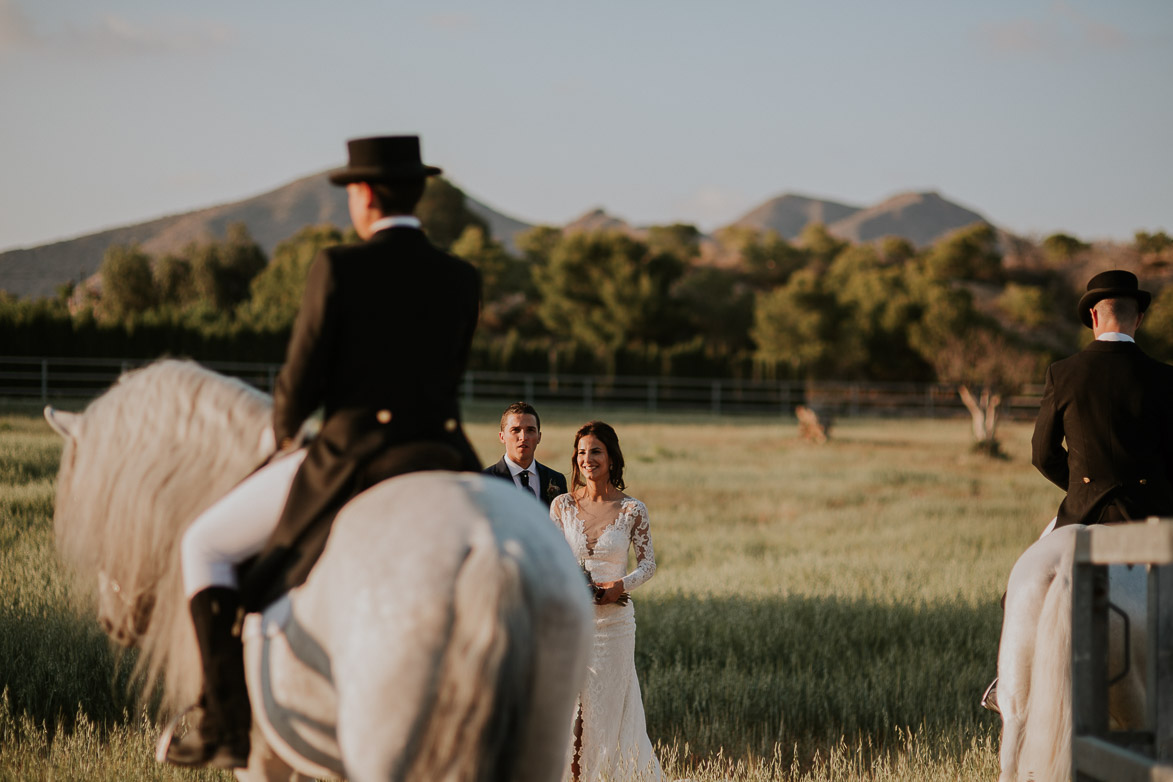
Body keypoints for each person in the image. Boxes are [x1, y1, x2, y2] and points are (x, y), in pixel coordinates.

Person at [167, 135, 482, 768]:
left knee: (203, 545)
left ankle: (225, 720)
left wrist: (282, 428)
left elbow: (302, 380)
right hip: (448, 457)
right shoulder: (462, 277)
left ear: (363, 194)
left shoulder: (337, 268)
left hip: (354, 457)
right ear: (417, 192)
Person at [983, 269, 1173, 714]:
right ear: (1139, 318)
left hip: (1081, 511)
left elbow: (1041, 453)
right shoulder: (1167, 379)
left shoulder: (1062, 372)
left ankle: (1006, 685)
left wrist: (1082, 487)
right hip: (1151, 513)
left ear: (1092, 316)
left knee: (1022, 585)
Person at [549, 421, 662, 781]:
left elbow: (648, 564)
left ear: (611, 457)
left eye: (595, 451)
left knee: (605, 710)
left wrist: (620, 586)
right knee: (571, 713)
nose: (587, 459)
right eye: (581, 453)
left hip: (614, 625)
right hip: (573, 623)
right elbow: (551, 560)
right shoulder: (562, 506)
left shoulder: (633, 510)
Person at [484, 401, 567, 507]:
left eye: (530, 430)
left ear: (539, 437)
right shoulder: (485, 481)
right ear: (502, 437)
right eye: (515, 430)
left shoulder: (557, 480)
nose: (523, 437)